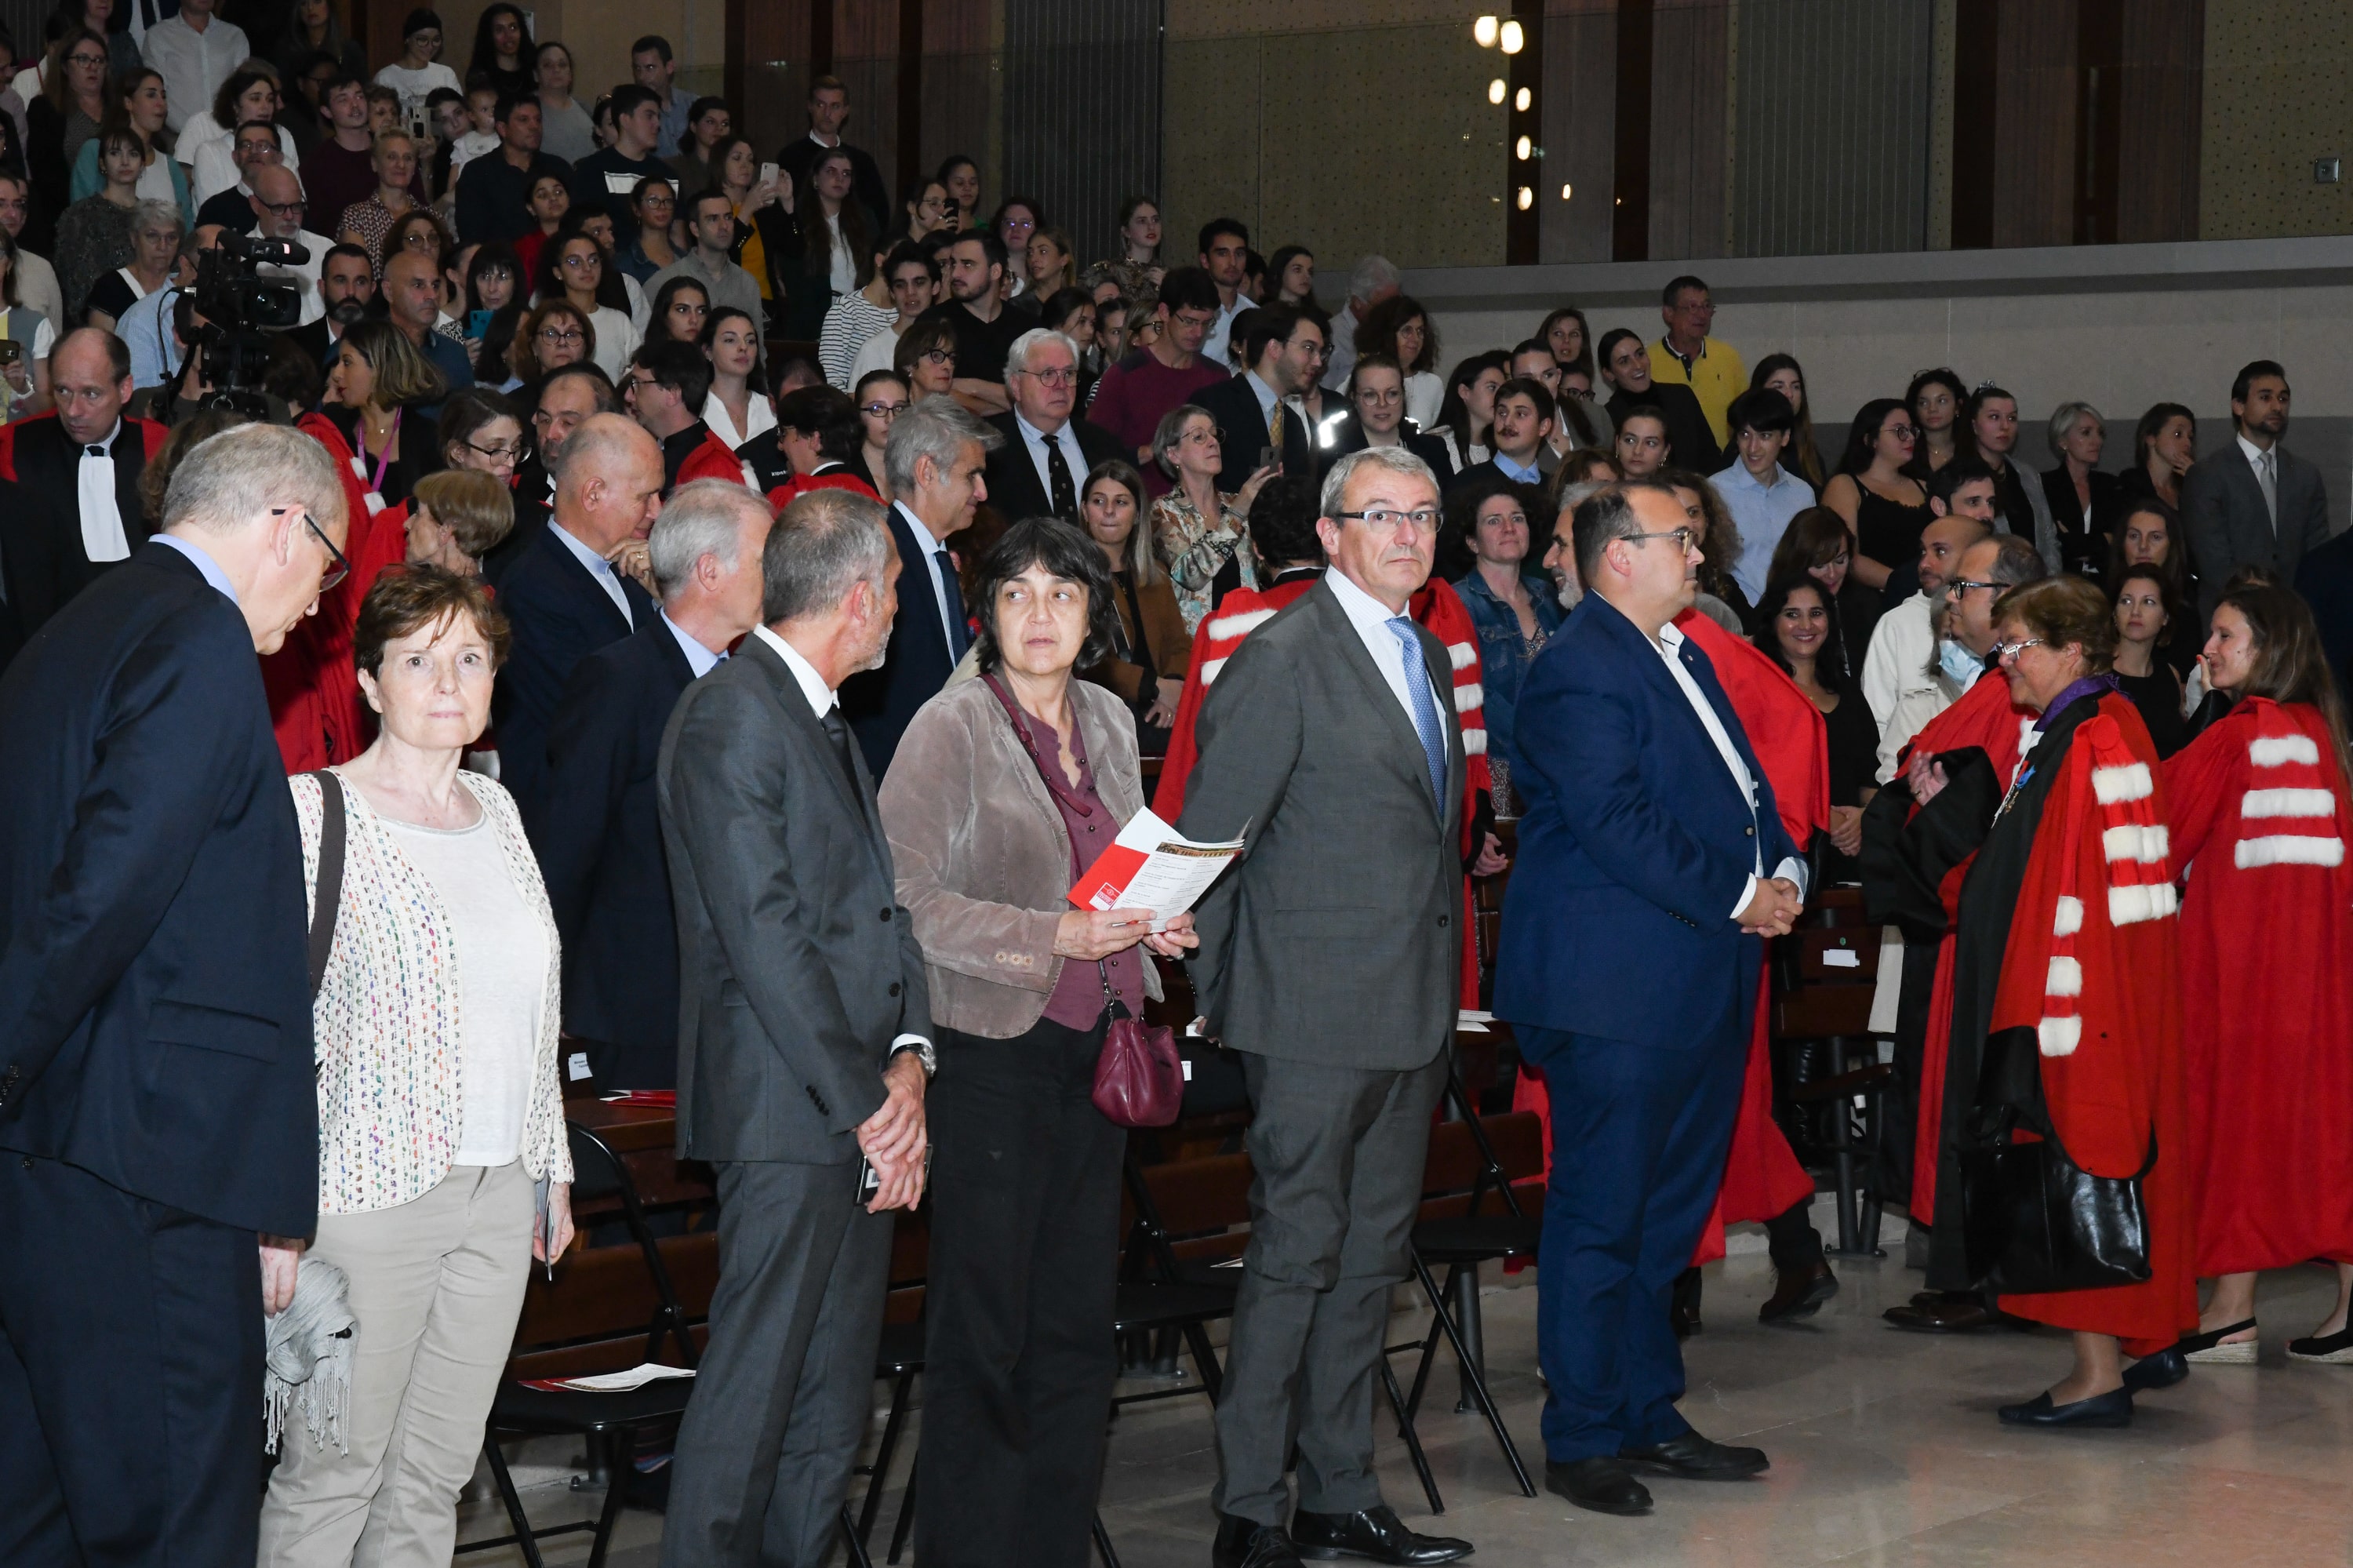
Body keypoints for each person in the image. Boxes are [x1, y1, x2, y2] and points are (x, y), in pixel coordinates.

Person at [0, 420, 341, 1565]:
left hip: (52, 1156)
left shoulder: (70, 629)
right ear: (286, 521)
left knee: (44, 1514)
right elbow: (104, 890)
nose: (317, 603)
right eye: (330, 565)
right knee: (178, 1524)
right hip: (151, 1158)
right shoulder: (198, 637)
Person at [1155, 445, 1471, 1566]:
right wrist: (1228, 1000)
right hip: (1308, 1015)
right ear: (1331, 533)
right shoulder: (1282, 655)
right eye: (1381, 514)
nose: (1407, 532)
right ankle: (1251, 1507)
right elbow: (1211, 838)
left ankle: (1341, 1489)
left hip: (1411, 1009)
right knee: (1295, 1255)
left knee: (1372, 1258)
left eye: (1425, 514)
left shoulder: (1428, 654)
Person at [878, 516, 1197, 1567]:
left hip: (1096, 1055)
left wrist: (1159, 916)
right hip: (992, 1057)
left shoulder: (1106, 716)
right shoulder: (949, 725)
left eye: (1063, 593)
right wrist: (1048, 932)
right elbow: (906, 901)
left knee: (1073, 1329)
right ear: (987, 613)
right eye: (1019, 594)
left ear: (1093, 610)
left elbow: (1122, 858)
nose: (1042, 614)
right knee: (986, 1333)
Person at [253, 562, 573, 1563]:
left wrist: (549, 1162)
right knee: (332, 1477)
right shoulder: (310, 815)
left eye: (470, 658)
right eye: (419, 659)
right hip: (361, 1197)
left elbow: (535, 1007)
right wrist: (271, 1213)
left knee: (433, 1475)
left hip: (497, 1192)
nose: (448, 681)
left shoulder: (501, 813)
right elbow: (263, 1024)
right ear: (368, 682)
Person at [1494, 479, 1802, 1515]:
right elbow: (1616, 820)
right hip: (1614, 987)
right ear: (1619, 553)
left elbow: (1748, 794)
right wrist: (1740, 896)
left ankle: (1644, 1407)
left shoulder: (1684, 655)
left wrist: (1786, 869)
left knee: (1664, 1212)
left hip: (1688, 977)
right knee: (1601, 1211)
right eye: (1684, 538)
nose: (1702, 556)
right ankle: (1582, 1429)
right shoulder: (1581, 664)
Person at [656, 486, 933, 1568]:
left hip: (856, 1102)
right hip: (787, 1108)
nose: (899, 615)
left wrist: (910, 1059)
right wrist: (871, 1105)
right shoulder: (734, 710)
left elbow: (879, 905)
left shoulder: (815, 710)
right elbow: (763, 933)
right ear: (859, 596)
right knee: (756, 1389)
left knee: (828, 1400)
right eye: (899, 593)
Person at [1900, 574, 2196, 1425]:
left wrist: (2041, 1011)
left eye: (2018, 644)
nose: (2005, 662)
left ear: (2073, 649)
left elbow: (2083, 894)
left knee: (2083, 1165)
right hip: (2085, 994)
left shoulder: (2097, 737)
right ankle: (2140, 1342)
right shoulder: (2078, 730)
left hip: (2079, 1001)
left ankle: (2096, 1371)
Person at [2158, 582, 2353, 1364]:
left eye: (2225, 637)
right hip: (2323, 978)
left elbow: (2158, 830)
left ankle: (2232, 1309)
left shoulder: (2237, 737)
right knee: (2327, 1135)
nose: (2208, 651)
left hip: (2239, 972)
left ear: (2268, 650)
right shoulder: (2327, 738)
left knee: (2232, 1129)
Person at [526, 479, 770, 1094]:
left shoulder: (751, 680)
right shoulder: (618, 679)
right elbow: (569, 847)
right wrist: (547, 997)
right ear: (710, 572)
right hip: (637, 1006)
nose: (782, 574)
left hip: (731, 1001)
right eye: (767, 558)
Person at [492, 413, 662, 808]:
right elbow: (599, 722)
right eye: (645, 496)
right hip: (570, 829)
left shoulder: (630, 567)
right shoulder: (532, 591)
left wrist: (661, 600)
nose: (657, 510)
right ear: (594, 494)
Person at [839, 396, 996, 775]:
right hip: (899, 782)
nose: (983, 492)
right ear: (926, 472)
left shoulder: (940, 558)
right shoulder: (878, 557)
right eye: (970, 475)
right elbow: (869, 698)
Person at [2183, 359, 2329, 622]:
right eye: (2265, 397)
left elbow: (2317, 555)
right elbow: (2213, 563)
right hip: (2229, 616)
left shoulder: (2306, 475)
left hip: (2290, 619)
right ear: (2238, 405)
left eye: (2283, 399)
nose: (2276, 406)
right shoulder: (2208, 474)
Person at [1450, 475, 1562, 816]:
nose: (1509, 528)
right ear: (1473, 541)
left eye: (1517, 518)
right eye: (1493, 521)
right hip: (1497, 773)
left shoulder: (1550, 596)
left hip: (1558, 769)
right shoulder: (1457, 603)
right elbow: (1469, 697)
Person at [1860, 465, 1994, 734]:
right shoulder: (1897, 623)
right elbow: (1877, 720)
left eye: (1940, 551)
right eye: (1923, 551)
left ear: (1974, 557)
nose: (1924, 563)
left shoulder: (1997, 616)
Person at [1755, 574, 1871, 881]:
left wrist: (1864, 819)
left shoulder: (1846, 690)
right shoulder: (1758, 692)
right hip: (1787, 857)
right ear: (1773, 621)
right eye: (1792, 614)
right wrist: (1827, 819)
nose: (1806, 625)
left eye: (1816, 613)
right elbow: (1765, 780)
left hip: (1852, 850)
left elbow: (1870, 773)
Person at [1071, 458, 1187, 744]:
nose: (1109, 511)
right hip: (1100, 711)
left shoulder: (1156, 573)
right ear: (1085, 511)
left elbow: (1179, 642)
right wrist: (1154, 687)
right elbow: (1085, 659)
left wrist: (1174, 687)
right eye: (1099, 501)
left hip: (1162, 705)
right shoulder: (1070, 577)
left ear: (1137, 514)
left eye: (1121, 502)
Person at [1086, 264, 1228, 464]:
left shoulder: (1217, 378)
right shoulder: (1124, 375)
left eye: (1206, 323)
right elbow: (1094, 451)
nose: (1198, 332)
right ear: (1164, 312)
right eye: (1189, 321)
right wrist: (1145, 453)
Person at [979, 324, 1122, 522]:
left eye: (1069, 374)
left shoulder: (1105, 446)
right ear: (1016, 385)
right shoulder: (986, 450)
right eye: (1048, 374)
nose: (1061, 385)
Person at [1151, 402, 1268, 633]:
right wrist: (1237, 513)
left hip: (1248, 639)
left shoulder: (1238, 501)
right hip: (1197, 647)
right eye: (1198, 437)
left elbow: (1266, 571)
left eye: (1215, 435)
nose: (1213, 442)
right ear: (1173, 454)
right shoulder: (1163, 511)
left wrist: (1273, 503)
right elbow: (1190, 576)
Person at [1186, 304, 1321, 494]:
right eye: (1308, 348)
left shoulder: (1293, 423)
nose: (1318, 362)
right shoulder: (1213, 404)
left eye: (1320, 351)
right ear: (1274, 348)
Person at [322, 315, 443, 509]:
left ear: (379, 367)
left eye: (347, 362)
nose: (336, 374)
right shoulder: (332, 425)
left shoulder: (427, 437)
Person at [1823, 396, 1932, 606]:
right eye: (1899, 430)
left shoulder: (1926, 486)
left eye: (1912, 430)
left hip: (1923, 596)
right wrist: (1903, 585)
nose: (1909, 437)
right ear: (1870, 439)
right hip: (1869, 601)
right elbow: (1848, 558)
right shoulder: (1846, 485)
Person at [1710, 387, 1813, 603]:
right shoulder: (1715, 491)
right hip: (1734, 613)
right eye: (1745, 435)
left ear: (1785, 437)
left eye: (1764, 436)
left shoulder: (1802, 494)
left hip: (1790, 613)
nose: (1753, 448)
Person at [775, 73, 889, 236]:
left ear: (845, 111)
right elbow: (782, 214)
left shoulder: (862, 161)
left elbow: (879, 213)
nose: (827, 113)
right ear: (810, 106)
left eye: (835, 106)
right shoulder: (791, 157)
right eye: (821, 105)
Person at [648, 188, 764, 348]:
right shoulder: (663, 282)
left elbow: (758, 350)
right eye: (713, 219)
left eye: (728, 217)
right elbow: (649, 345)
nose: (724, 226)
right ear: (695, 229)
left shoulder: (748, 283)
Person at [624, 337, 741, 494]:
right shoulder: (668, 450)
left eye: (637, 384)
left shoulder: (712, 469)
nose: (628, 396)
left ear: (673, 393)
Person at [1959, 384, 2057, 571]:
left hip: (2037, 584)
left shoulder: (2028, 474)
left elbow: (2048, 536)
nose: (2005, 426)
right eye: (1994, 417)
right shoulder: (1962, 478)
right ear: (1974, 425)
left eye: (2012, 418)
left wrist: (2048, 583)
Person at [453, 93, 569, 248]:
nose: (534, 127)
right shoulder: (478, 173)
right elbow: (471, 237)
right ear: (502, 128)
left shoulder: (558, 167)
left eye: (538, 120)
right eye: (524, 120)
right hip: (501, 265)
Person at [1598, 326, 1718, 474]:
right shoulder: (1607, 416)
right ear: (1609, 374)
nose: (1637, 365)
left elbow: (1712, 459)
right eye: (1624, 361)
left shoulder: (1682, 397)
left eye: (1640, 354)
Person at [1328, 352, 1455, 482]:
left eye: (1392, 394)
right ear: (1354, 399)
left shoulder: (1434, 450)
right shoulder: (1334, 457)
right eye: (1370, 395)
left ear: (1403, 395)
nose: (1382, 404)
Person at [569, 82, 671, 236]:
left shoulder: (667, 173)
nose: (657, 124)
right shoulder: (591, 171)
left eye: (658, 117)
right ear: (625, 120)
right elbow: (582, 232)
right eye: (649, 116)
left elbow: (677, 233)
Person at [540, 228, 638, 382]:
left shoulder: (619, 320)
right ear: (558, 272)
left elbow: (634, 374)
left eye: (593, 260)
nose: (587, 269)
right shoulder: (548, 320)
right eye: (575, 262)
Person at [2110, 566, 2188, 757]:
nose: (2135, 611)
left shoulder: (2170, 675)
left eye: (2149, 602)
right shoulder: (2093, 673)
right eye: (2126, 601)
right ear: (2114, 613)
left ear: (2165, 617)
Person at [140, 0, 246, 134]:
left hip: (229, 137)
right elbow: (155, 91)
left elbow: (244, 89)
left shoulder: (234, 36)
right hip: (176, 138)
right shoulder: (159, 35)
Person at [843, 240, 938, 389]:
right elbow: (860, 402)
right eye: (900, 285)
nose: (910, 292)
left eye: (919, 283)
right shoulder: (874, 349)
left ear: (935, 287)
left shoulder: (947, 342)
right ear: (892, 293)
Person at [77, 193, 173, 332]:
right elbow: (102, 347)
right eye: (152, 236)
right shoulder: (109, 288)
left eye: (171, 238)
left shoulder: (183, 285)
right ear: (134, 239)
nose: (163, 246)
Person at [2042, 401, 2116, 577]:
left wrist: (2075, 542)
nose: (2097, 441)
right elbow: (2054, 546)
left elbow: (2118, 542)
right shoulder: (2044, 485)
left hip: (2104, 584)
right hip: (2062, 582)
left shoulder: (2111, 485)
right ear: (2063, 441)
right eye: (2086, 433)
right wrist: (2101, 541)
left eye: (2100, 433)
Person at [400, 465, 512, 577]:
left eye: (419, 514)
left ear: (446, 530)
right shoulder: (483, 593)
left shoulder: (433, 594)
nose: (407, 525)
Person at [1315, 252, 1398, 391]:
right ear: (1358, 302)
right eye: (1384, 307)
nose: (1391, 313)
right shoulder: (1334, 336)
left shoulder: (1394, 331)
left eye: (1396, 304)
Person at [1747, 353, 1824, 489]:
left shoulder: (1809, 452)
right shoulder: (1747, 447)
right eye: (1779, 386)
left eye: (1795, 387)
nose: (1789, 394)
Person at [701, 304, 773, 452]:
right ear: (708, 351)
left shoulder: (771, 409)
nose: (743, 347)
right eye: (730, 340)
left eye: (750, 341)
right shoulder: (694, 410)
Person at [2114, 400, 2195, 529]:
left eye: (2190, 437)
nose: (2188, 443)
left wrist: (2197, 484)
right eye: (2178, 434)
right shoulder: (2132, 484)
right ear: (2151, 438)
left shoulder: (2187, 486)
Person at [191, 118, 282, 231]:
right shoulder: (214, 209)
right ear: (235, 157)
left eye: (263, 146)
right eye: (246, 145)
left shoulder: (291, 206)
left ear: (279, 158)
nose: (253, 151)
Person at [371, 8, 460, 125]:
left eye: (436, 40)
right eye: (422, 40)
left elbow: (459, 113)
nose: (430, 46)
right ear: (407, 39)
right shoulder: (386, 77)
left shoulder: (446, 74)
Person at [1432, 349, 1507, 472]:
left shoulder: (1501, 447)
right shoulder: (1435, 443)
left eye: (1502, 389)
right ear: (1465, 392)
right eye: (1492, 387)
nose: (1500, 396)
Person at [530, 41, 594, 164]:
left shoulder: (586, 110)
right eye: (548, 65)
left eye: (562, 65)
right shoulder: (526, 111)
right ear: (536, 75)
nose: (556, 70)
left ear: (570, 74)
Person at [1904, 367, 1966, 478]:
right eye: (1923, 403)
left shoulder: (1972, 452)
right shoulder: (1905, 452)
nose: (1932, 409)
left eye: (1941, 401)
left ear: (1958, 406)